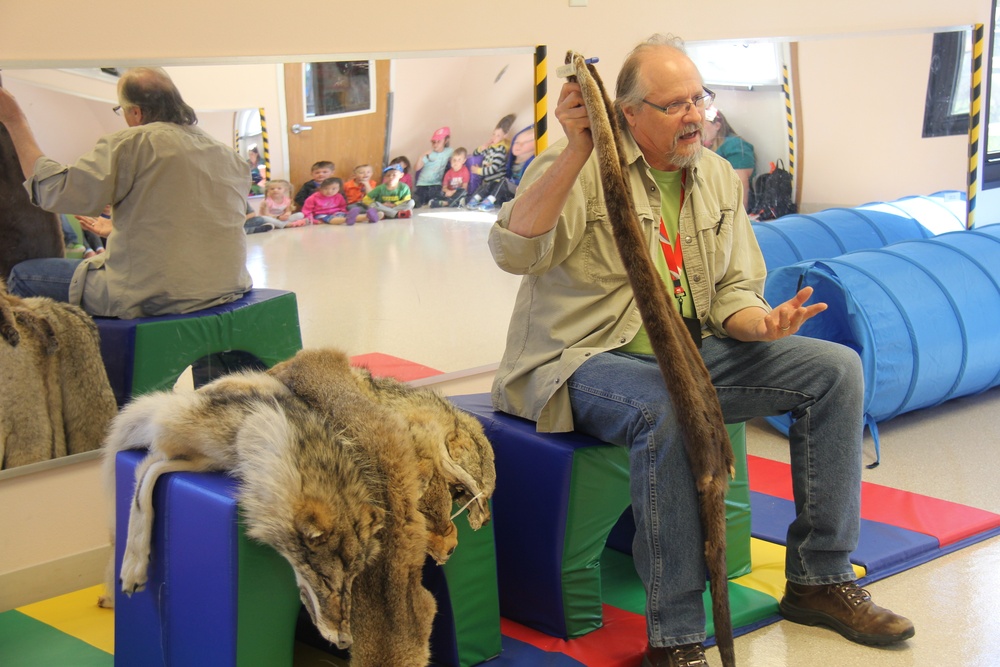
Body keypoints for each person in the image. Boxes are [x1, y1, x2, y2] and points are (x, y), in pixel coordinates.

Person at [487, 35, 914, 667]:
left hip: (690, 351)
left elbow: (733, 291)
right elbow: (513, 253)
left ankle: (819, 579)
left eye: (700, 99)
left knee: (835, 371)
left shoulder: (713, 174)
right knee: (669, 406)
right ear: (626, 113)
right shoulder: (571, 165)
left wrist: (761, 324)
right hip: (580, 360)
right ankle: (678, 638)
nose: (695, 116)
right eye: (674, 105)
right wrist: (580, 148)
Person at [1, 66, 252, 319]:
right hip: (227, 285)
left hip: (156, 294)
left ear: (136, 112)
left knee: (22, 274)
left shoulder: (132, 143)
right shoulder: (229, 155)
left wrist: (15, 120)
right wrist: (120, 230)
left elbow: (55, 191)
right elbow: (200, 221)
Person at [702, 106, 756, 209]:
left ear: (717, 125)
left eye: (703, 122)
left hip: (727, 207)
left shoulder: (735, 146)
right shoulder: (701, 147)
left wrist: (737, 219)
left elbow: (740, 186)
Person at [465, 113, 516, 209]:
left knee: (497, 186)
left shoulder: (501, 149)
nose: (494, 137)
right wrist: (482, 147)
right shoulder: (490, 148)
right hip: (488, 181)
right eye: (493, 134)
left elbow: (493, 168)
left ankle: (490, 201)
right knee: (483, 188)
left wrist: (478, 170)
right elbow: (475, 154)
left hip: (497, 181)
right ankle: (476, 199)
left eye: (498, 135)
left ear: (504, 136)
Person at [413, 127, 453, 207]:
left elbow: (456, 159)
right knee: (416, 202)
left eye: (439, 142)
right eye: (433, 142)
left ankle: (434, 202)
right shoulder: (429, 154)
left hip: (436, 184)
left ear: (446, 141)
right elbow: (416, 168)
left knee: (437, 197)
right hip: (422, 184)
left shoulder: (449, 151)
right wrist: (422, 155)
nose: (435, 144)